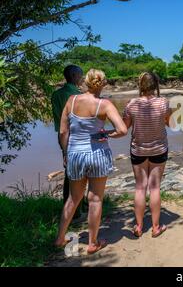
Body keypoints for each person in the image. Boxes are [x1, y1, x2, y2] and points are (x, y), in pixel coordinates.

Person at [54, 69, 127, 254]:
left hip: (75, 155)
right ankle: (92, 243)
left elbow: (63, 132)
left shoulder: (71, 100)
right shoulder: (105, 104)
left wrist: (65, 152)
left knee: (73, 198)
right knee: (95, 200)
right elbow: (123, 130)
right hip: (97, 156)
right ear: (103, 84)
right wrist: (105, 133)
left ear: (85, 82)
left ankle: (60, 239)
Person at [123, 72, 172, 238]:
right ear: (156, 85)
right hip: (159, 149)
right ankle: (156, 227)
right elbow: (169, 122)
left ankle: (138, 226)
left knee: (140, 187)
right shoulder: (163, 103)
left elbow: (125, 127)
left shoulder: (131, 104)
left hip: (138, 150)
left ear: (140, 85)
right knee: (155, 187)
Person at [51, 65, 84, 217]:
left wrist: (64, 150)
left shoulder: (56, 95)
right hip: (79, 137)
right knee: (81, 175)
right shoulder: (78, 95)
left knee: (69, 173)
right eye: (80, 75)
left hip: (63, 137)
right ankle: (77, 211)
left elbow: (59, 123)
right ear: (73, 75)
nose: (82, 78)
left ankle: (69, 209)